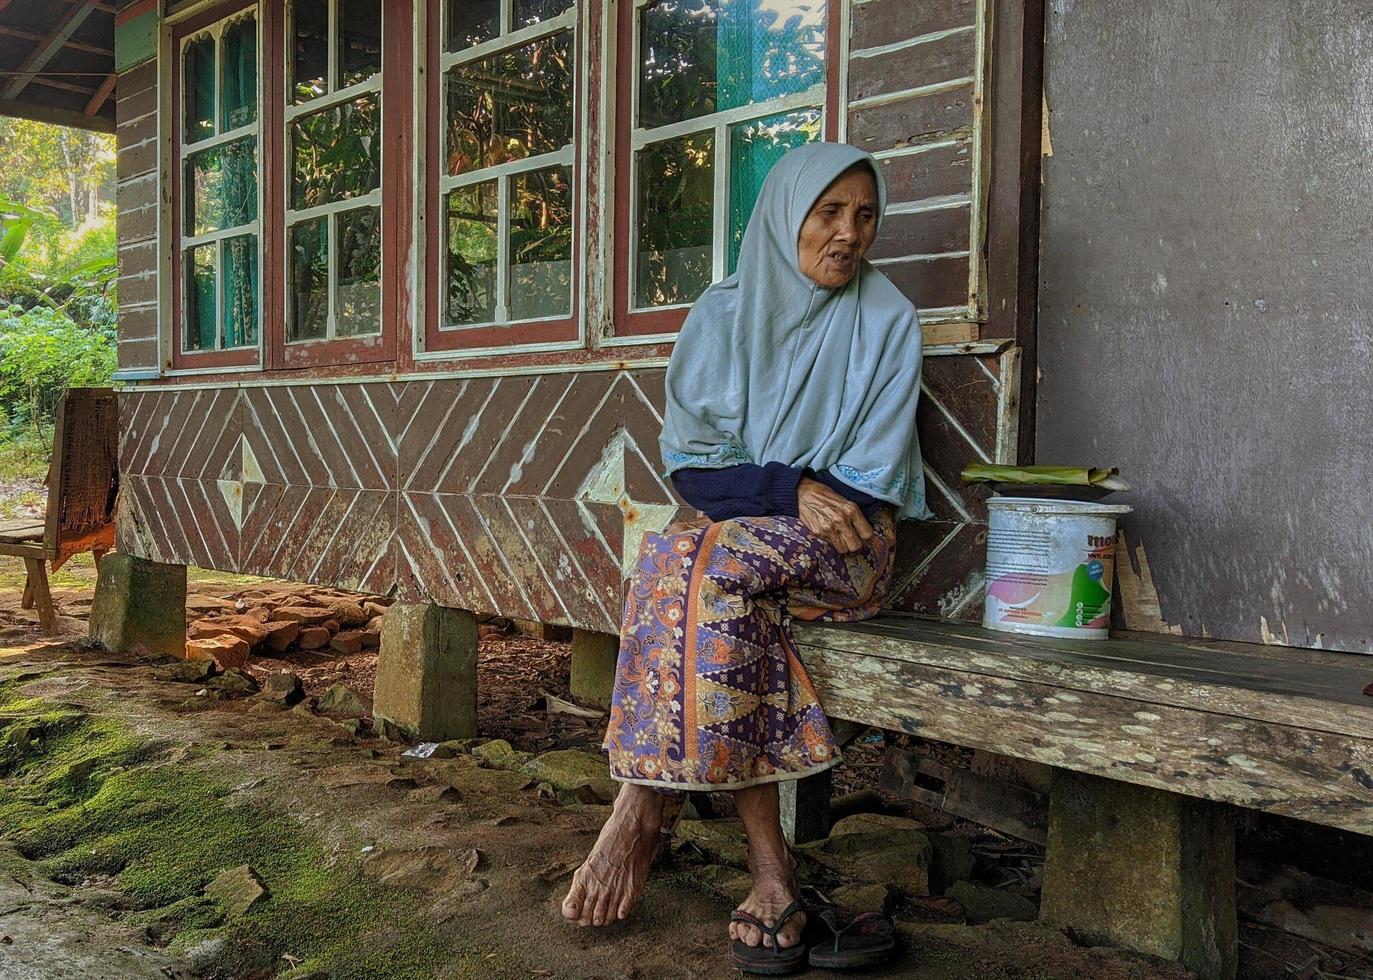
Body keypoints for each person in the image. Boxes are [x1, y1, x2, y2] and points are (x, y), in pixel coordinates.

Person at [561, 141, 930, 972]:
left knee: (685, 559)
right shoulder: (722, 314)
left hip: (849, 553)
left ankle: (642, 803)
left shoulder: (886, 320)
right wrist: (789, 488)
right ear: (782, 217)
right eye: (828, 213)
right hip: (744, 557)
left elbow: (861, 488)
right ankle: (771, 876)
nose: (848, 234)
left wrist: (782, 493)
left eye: (864, 216)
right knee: (709, 580)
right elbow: (693, 464)